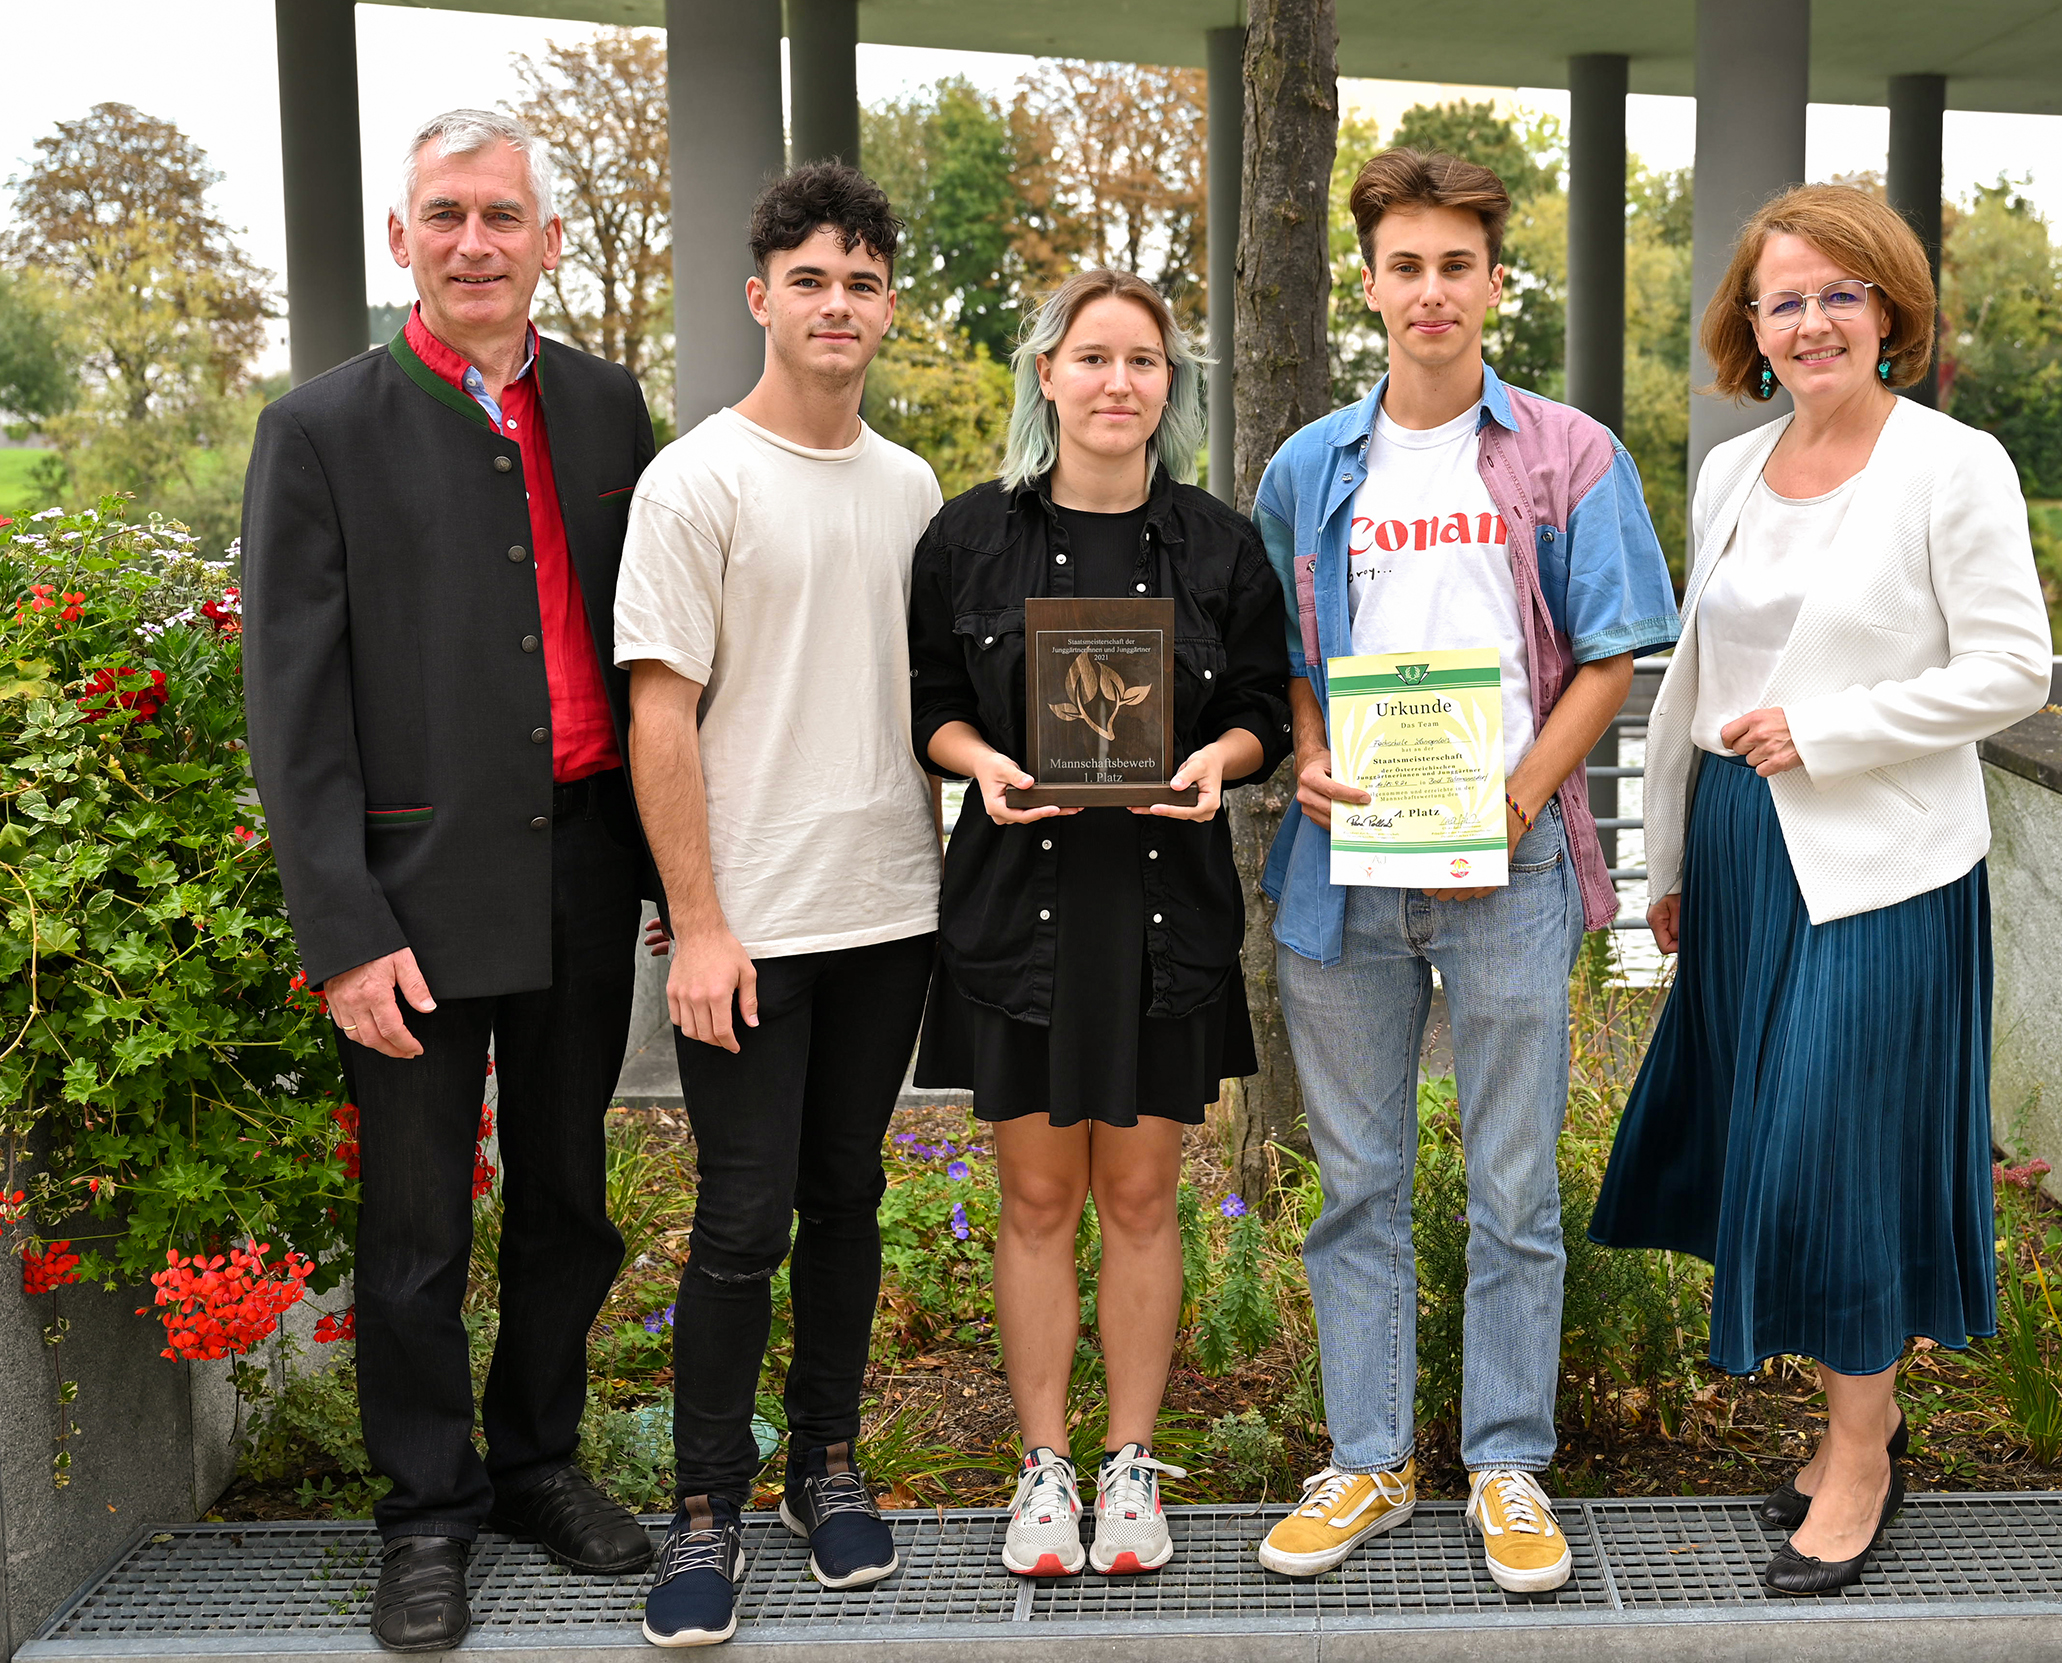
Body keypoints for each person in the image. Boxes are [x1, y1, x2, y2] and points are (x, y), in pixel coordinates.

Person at [1590, 183, 2053, 1595]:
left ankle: (1860, 1455)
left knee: (1842, 1148)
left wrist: (1835, 732)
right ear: (1752, 324)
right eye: (1783, 298)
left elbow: (2014, 670)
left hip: (1881, 868)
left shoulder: (1951, 466)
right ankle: (1856, 1419)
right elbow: (1697, 687)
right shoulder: (1733, 468)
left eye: (1840, 292)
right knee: (1761, 1143)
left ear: (1890, 309)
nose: (1810, 320)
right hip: (1742, 851)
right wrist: (1669, 863)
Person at [240, 109, 658, 1652]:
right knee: (415, 1230)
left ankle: (538, 1462)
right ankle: (427, 1512)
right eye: (445, 215)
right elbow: (291, 710)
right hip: (410, 900)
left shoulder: (613, 412)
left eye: (502, 215)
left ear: (548, 239)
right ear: (398, 242)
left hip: (585, 871)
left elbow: (660, 657)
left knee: (569, 1202)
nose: (474, 241)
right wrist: (342, 930)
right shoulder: (320, 430)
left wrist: (682, 865)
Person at [1250, 149, 1678, 1595]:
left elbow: (1615, 649)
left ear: (1496, 282)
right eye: (1405, 265)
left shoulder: (1569, 454)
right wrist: (1307, 750)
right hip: (1346, 870)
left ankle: (1505, 1462)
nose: (1431, 292)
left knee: (1513, 1186)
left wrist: (1517, 800)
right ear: (1370, 283)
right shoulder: (1310, 468)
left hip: (1510, 863)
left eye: (1457, 265)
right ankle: (1367, 1459)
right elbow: (1292, 662)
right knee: (1357, 1180)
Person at [908, 268, 1289, 1578]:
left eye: (1144, 362)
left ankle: (1130, 1468)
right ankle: (1043, 1472)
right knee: (1032, 1198)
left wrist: (1219, 762)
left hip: (1163, 907)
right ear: (1048, 376)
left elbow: (1262, 709)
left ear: (1167, 389)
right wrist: (981, 761)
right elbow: (929, 701)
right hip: (1019, 903)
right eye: (1093, 358)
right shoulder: (970, 538)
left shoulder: (1220, 545)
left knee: (1139, 1197)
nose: (1118, 382)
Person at [612, 163, 943, 1646]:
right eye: (809, 279)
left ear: (886, 306)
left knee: (850, 1198)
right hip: (749, 928)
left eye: (861, 282)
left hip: (891, 910)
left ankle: (827, 1466)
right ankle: (703, 1509)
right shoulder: (696, 480)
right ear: (761, 298)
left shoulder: (913, 487)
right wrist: (699, 921)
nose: (836, 304)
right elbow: (659, 716)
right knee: (740, 1222)